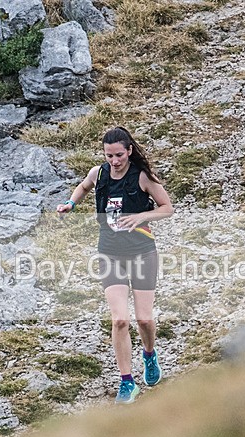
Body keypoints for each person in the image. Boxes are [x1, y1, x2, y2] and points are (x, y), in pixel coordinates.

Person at [56, 126, 174, 404]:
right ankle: (126, 382)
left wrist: (141, 216)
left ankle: (149, 354)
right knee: (120, 320)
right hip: (110, 254)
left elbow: (167, 207)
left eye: (119, 155)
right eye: (109, 155)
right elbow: (84, 187)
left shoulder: (143, 176)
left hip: (143, 253)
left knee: (144, 319)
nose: (114, 160)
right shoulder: (99, 173)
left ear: (129, 151)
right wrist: (70, 205)